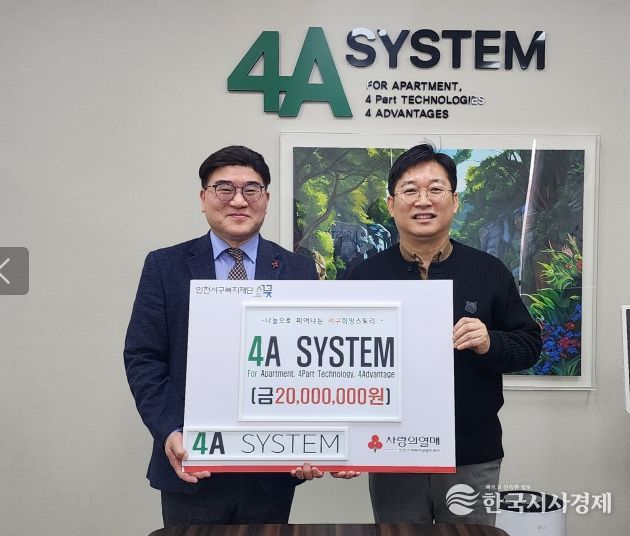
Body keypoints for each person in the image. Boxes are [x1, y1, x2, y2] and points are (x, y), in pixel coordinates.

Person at [124, 145, 334, 527]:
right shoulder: (165, 265)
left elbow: (313, 363)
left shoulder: (297, 269)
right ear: (203, 197)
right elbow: (143, 357)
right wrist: (171, 430)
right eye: (224, 189)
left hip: (272, 469)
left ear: (266, 199)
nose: (239, 200)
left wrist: (312, 436)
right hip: (192, 463)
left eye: (251, 189)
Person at [347, 144, 542, 525]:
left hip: (470, 453)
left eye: (435, 189)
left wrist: (490, 342)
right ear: (391, 204)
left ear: (454, 201)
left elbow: (530, 344)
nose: (423, 201)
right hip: (392, 451)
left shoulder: (489, 271)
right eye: (410, 190)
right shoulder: (365, 276)